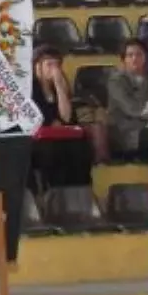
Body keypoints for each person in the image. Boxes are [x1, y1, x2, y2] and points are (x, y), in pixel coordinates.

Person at [27, 46, 102, 194]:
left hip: (61, 135)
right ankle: (55, 194)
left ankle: (79, 193)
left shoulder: (60, 86)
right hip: (38, 139)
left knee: (80, 148)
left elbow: (67, 117)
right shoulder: (30, 89)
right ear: (37, 67)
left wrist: (60, 87)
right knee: (53, 152)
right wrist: (50, 123)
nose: (54, 69)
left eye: (57, 65)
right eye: (49, 65)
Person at [107, 38, 148, 163]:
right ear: (124, 59)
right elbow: (130, 107)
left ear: (145, 57)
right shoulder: (116, 80)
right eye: (130, 55)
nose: (134, 58)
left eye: (139, 54)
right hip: (125, 130)